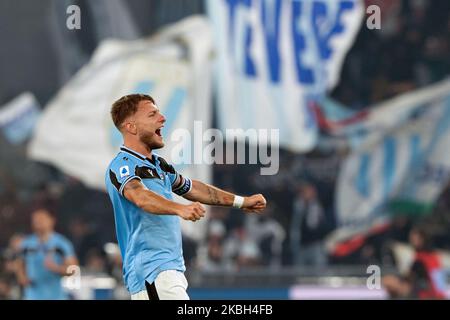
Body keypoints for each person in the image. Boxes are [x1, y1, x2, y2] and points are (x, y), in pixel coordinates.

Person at [105, 94, 267, 300]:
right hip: (152, 271)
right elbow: (141, 197)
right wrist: (180, 208)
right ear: (131, 127)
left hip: (167, 271)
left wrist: (241, 202)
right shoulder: (122, 165)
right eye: (152, 114)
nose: (163, 118)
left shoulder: (159, 165)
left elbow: (192, 188)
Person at [16, 208, 78, 300]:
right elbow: (19, 263)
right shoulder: (26, 244)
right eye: (35, 220)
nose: (38, 223)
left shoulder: (61, 244)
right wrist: (22, 277)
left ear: (52, 220)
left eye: (41, 219)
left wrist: (56, 268)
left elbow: (74, 270)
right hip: (32, 296)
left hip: (56, 296)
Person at [382, 227, 447, 299]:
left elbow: (434, 280)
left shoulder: (424, 258)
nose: (411, 241)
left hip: (426, 294)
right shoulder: (428, 256)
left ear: (422, 239)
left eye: (414, 239)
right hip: (429, 292)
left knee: (389, 282)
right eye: (411, 238)